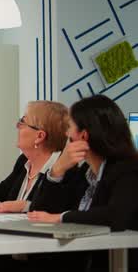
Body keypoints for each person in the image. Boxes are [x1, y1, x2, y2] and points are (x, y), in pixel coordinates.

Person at [28, 95, 138, 271]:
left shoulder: (128, 171)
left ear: (84, 135)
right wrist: (57, 171)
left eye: (70, 127)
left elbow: (115, 215)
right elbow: (38, 211)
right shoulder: (83, 172)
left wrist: (61, 217)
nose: (66, 133)